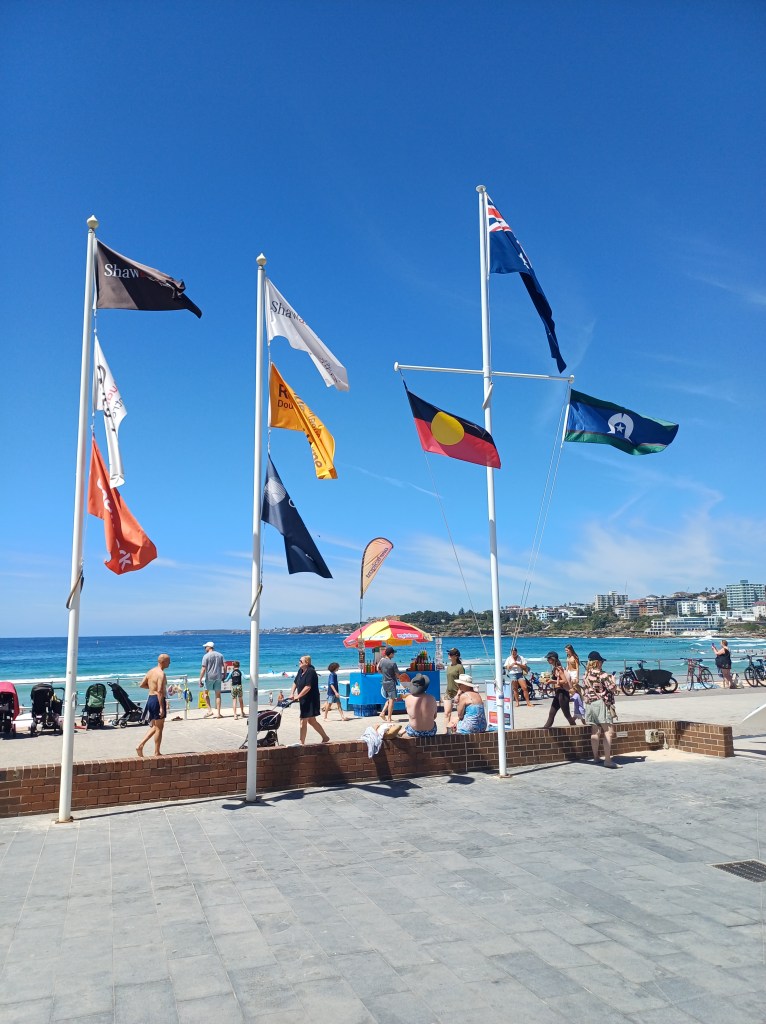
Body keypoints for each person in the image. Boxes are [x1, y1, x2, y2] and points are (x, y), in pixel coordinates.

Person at [583, 651, 619, 767]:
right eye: (601, 661)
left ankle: (596, 757)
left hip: (590, 704)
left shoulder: (586, 675)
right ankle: (608, 761)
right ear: (597, 662)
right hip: (601, 704)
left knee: (595, 731)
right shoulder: (602, 675)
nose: (602, 663)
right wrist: (613, 680)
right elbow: (613, 689)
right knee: (608, 731)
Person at [136, 653, 169, 757]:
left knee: (155, 726)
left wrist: (152, 690)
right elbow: (159, 691)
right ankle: (156, 752)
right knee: (159, 727)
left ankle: (141, 745)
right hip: (157, 700)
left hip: (150, 699)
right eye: (168, 661)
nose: (170, 663)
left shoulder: (150, 671)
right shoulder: (161, 674)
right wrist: (161, 707)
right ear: (163, 662)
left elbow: (142, 685)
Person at [293, 655, 330, 744]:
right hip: (304, 700)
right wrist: (292, 694)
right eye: (299, 661)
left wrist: (298, 696)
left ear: (307, 663)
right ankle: (325, 737)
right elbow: (295, 682)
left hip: (311, 700)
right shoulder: (300, 671)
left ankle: (301, 742)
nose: (299, 662)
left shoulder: (311, 672)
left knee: (303, 721)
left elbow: (308, 687)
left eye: (301, 661)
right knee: (312, 721)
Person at [541, 651, 576, 728]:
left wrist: (552, 681)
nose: (547, 660)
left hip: (562, 694)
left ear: (553, 659)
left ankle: (576, 730)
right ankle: (544, 730)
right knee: (551, 714)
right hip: (558, 694)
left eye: (549, 658)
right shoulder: (555, 668)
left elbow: (564, 681)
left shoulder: (558, 668)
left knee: (567, 715)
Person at [199, 641, 226, 719]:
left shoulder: (206, 656)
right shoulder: (220, 655)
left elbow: (203, 668)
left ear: (209, 647)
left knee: (205, 693)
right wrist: (224, 675)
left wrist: (200, 679)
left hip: (209, 677)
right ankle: (218, 713)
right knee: (218, 695)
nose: (205, 648)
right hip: (218, 676)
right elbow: (225, 665)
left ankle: (210, 710)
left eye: (205, 647)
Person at [377, 645, 400, 724]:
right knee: (391, 700)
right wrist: (398, 677)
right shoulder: (393, 663)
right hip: (391, 682)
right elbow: (397, 675)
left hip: (384, 681)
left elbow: (378, 669)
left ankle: (383, 713)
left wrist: (383, 673)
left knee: (389, 699)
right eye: (393, 653)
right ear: (390, 654)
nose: (394, 655)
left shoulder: (382, 661)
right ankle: (389, 718)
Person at [444, 647, 463, 731]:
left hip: (457, 693)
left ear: (456, 656)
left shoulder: (459, 667)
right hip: (448, 693)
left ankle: (455, 730)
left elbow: (462, 682)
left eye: (451, 654)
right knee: (446, 713)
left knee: (460, 715)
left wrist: (458, 694)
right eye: (449, 654)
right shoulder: (448, 667)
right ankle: (445, 733)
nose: (449, 655)